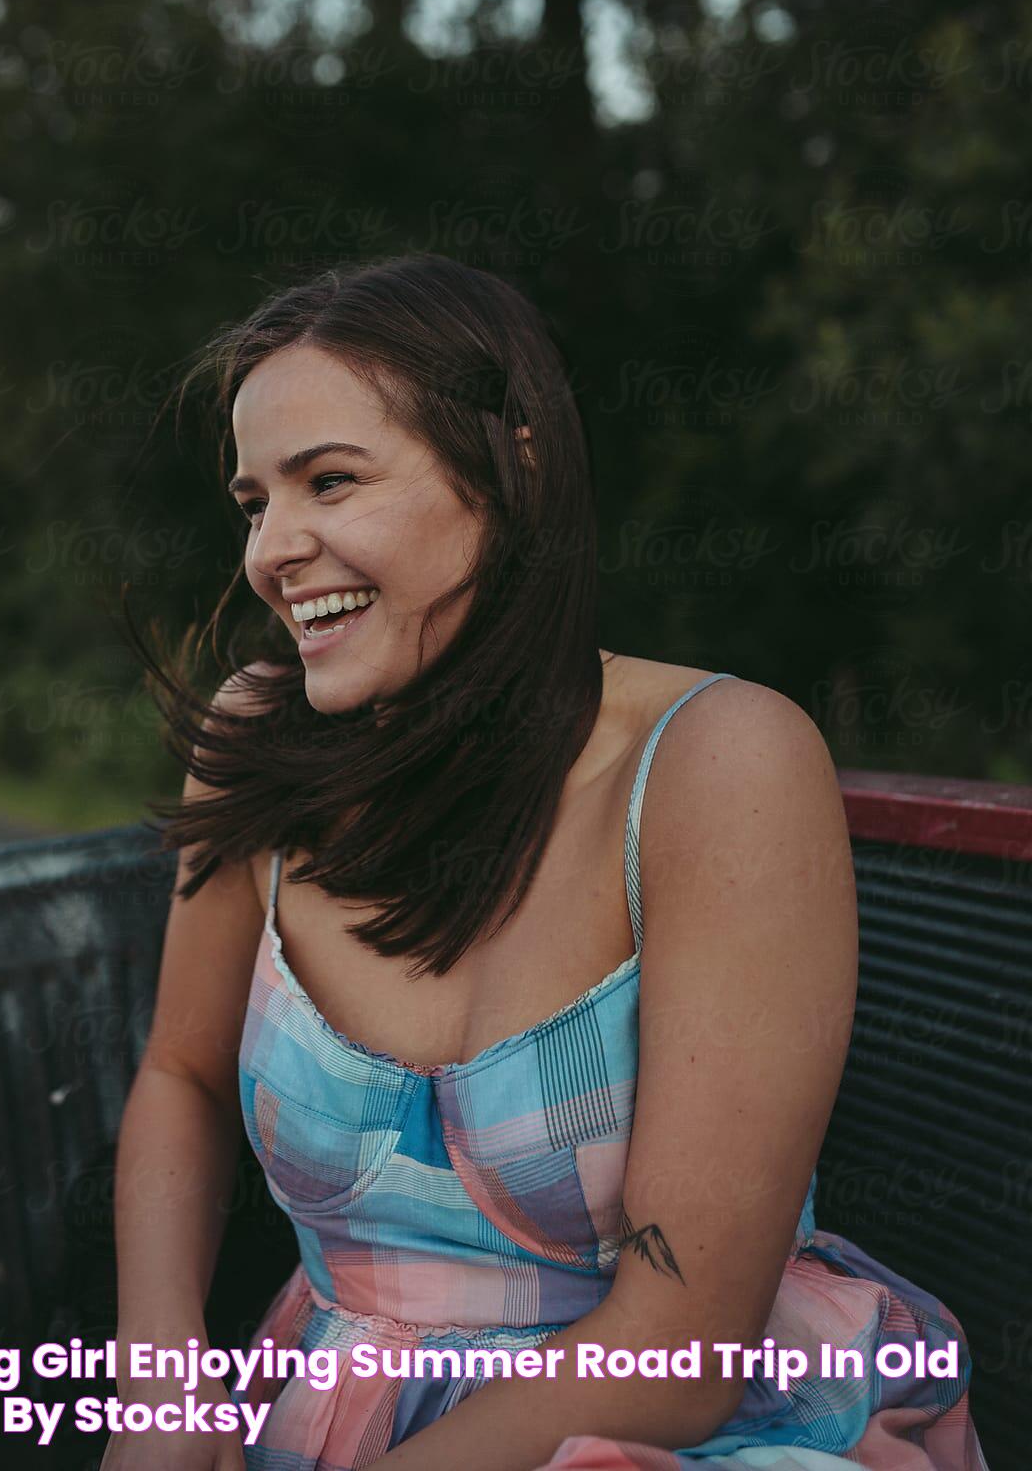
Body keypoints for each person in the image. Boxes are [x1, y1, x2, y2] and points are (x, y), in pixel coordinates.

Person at [105, 254, 990, 1471]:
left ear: (512, 466)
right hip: (335, 1421)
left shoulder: (716, 764)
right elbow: (183, 1074)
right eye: (255, 501)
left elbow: (677, 1344)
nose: (273, 550)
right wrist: (161, 1381)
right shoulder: (258, 739)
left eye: (332, 482)